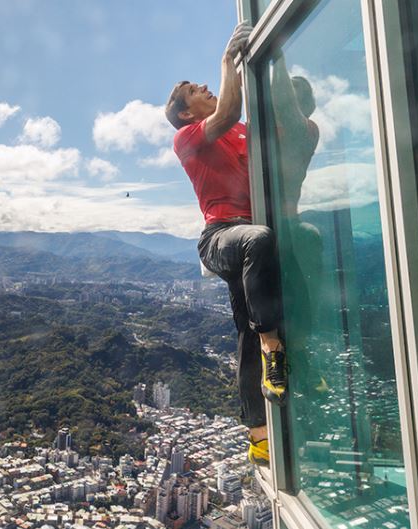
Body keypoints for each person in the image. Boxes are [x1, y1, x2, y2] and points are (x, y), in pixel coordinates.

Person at [164, 22, 284, 467]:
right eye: (194, 89)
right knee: (259, 239)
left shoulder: (239, 132)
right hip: (221, 238)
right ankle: (276, 348)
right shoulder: (189, 137)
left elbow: (276, 138)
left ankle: (258, 436)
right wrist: (228, 60)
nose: (205, 87)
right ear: (185, 114)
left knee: (244, 333)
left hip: (250, 239)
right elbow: (230, 112)